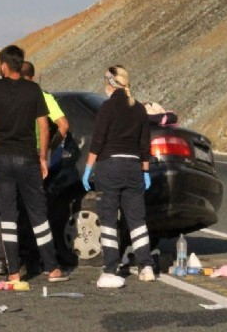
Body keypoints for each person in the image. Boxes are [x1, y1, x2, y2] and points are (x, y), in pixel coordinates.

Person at [0, 45, 67, 283]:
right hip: (28, 158)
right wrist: (42, 157)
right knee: (38, 213)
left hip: (1, 159)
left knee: (8, 216)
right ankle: (52, 268)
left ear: (4, 66)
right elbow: (44, 126)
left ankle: (14, 273)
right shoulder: (34, 91)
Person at [81, 65, 155, 288]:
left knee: (109, 220)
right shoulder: (139, 109)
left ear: (111, 84)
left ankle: (111, 268)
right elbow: (144, 145)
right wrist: (145, 171)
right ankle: (146, 266)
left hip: (109, 167)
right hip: (133, 167)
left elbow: (98, 141)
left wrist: (88, 169)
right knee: (137, 220)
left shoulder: (107, 107)